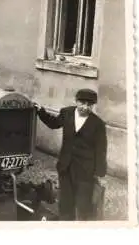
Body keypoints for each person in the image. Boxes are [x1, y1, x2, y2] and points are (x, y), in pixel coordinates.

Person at [33, 88, 107, 221]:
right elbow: (54, 123)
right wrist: (40, 111)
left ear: (93, 105)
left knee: (84, 205)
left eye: (89, 105)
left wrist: (100, 173)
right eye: (82, 103)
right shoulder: (66, 113)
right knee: (65, 202)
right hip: (65, 166)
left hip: (85, 170)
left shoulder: (98, 124)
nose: (85, 107)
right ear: (76, 101)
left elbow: (101, 149)